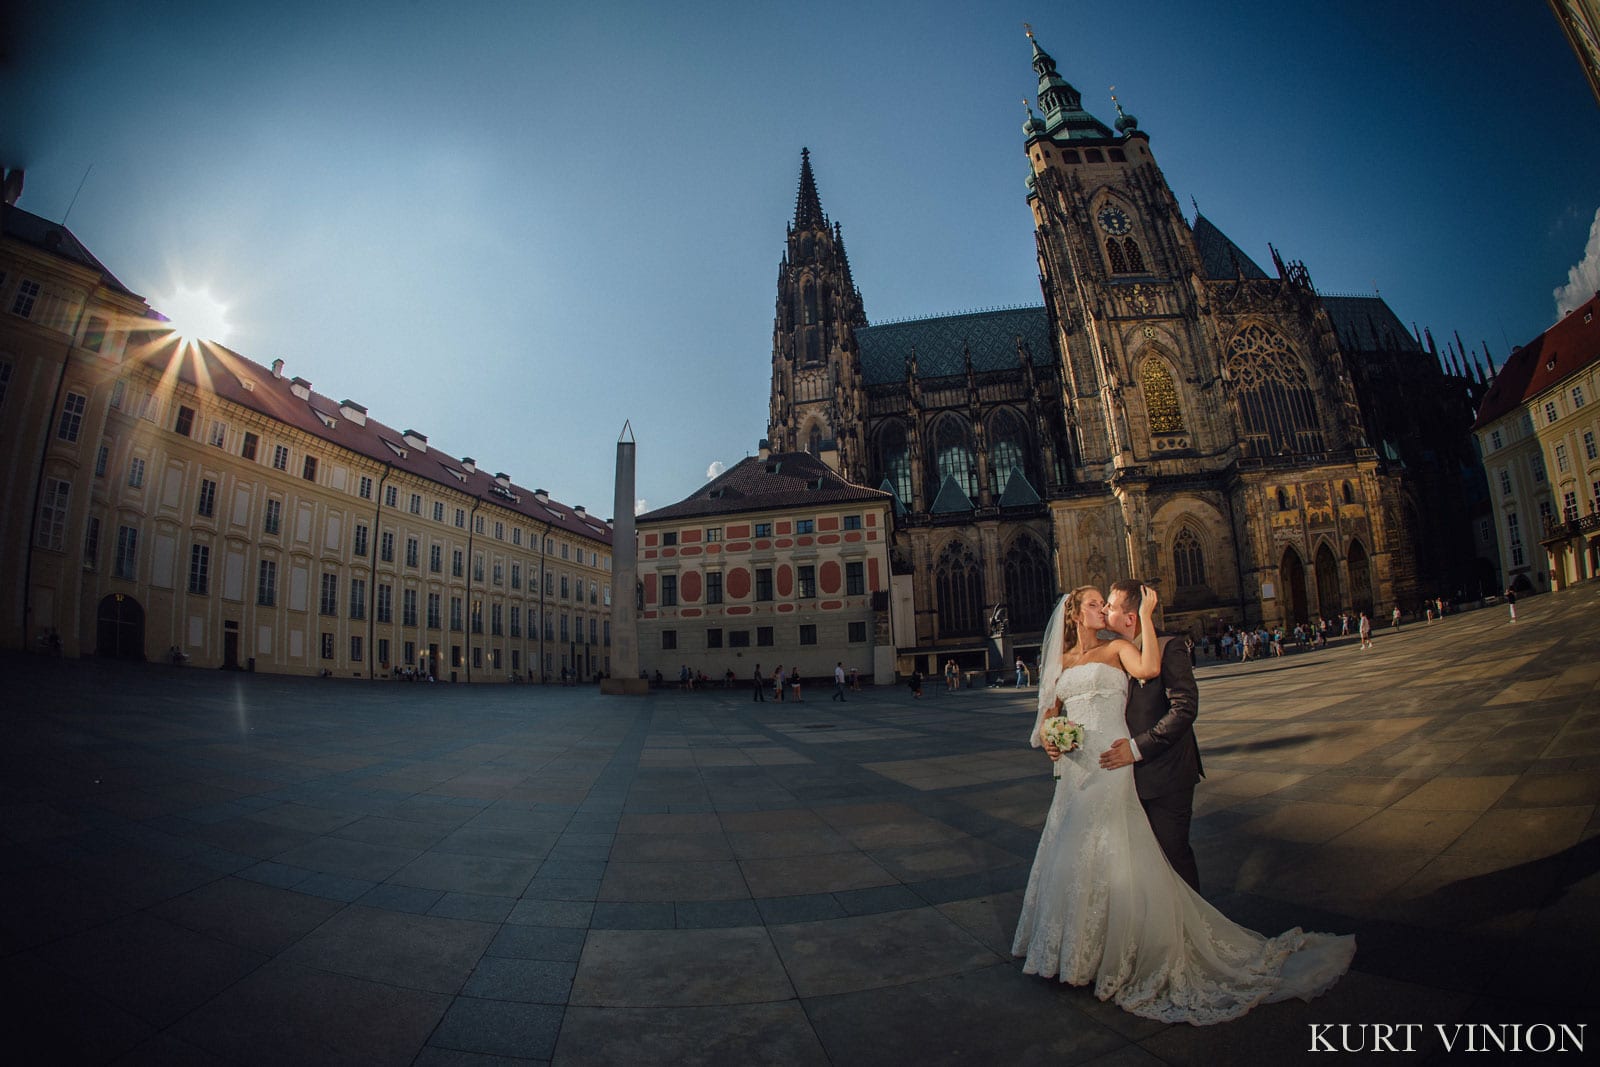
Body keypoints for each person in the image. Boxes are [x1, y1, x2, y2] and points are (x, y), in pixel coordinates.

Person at [1013, 584, 1355, 1025]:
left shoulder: (1120, 649)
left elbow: (1152, 670)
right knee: (1077, 855)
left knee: (1130, 852)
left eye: (1108, 603)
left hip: (1118, 761)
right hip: (1079, 769)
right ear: (1075, 614)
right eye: (1096, 604)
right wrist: (1052, 743)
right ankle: (1078, 954)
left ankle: (1166, 942)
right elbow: (1048, 717)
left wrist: (1150, 615)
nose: (1103, 609)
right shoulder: (1063, 662)